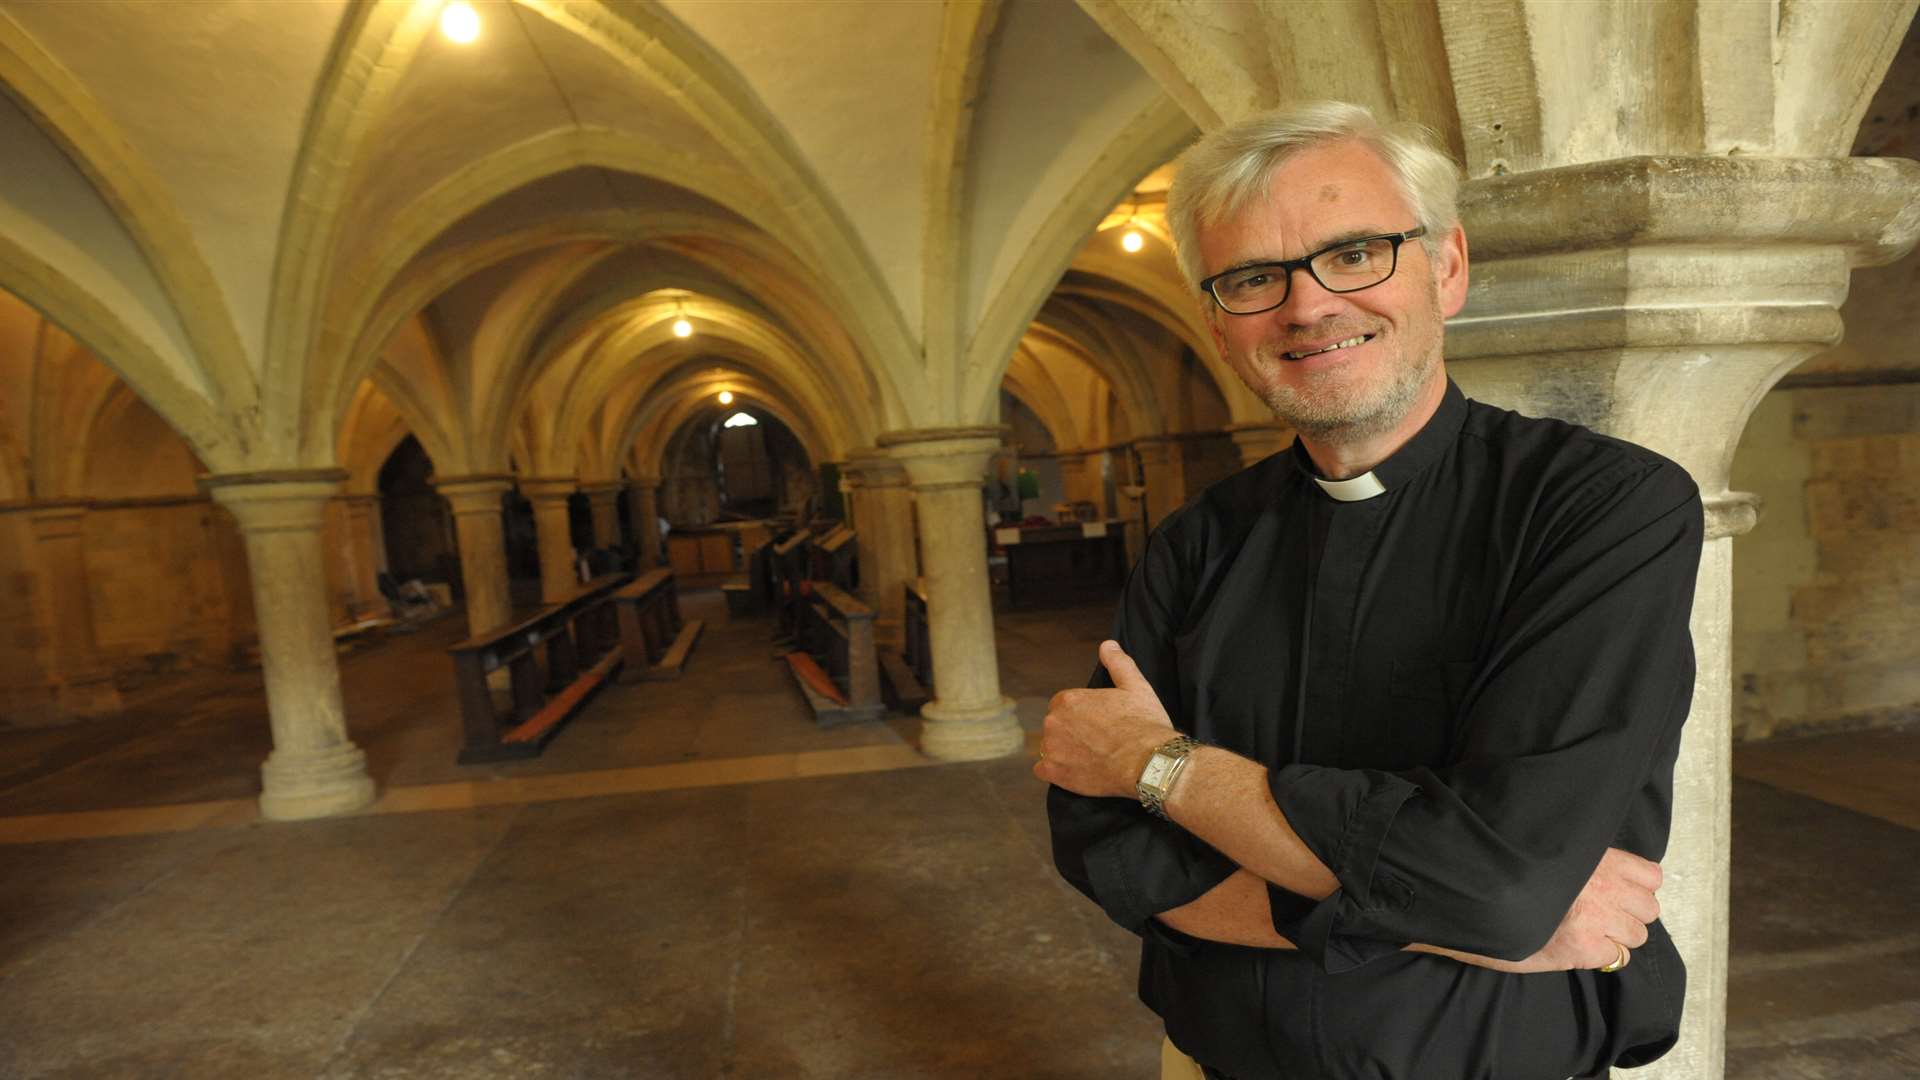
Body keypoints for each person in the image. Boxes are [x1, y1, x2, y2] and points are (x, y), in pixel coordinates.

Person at [1038, 101, 1701, 1080]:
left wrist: (1162, 768)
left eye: (1354, 254)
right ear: (1220, 327)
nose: (1307, 307)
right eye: (1254, 278)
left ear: (1447, 267)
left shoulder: (1604, 507)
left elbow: (1502, 883)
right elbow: (1104, 849)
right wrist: (1444, 919)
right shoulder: (1194, 544)